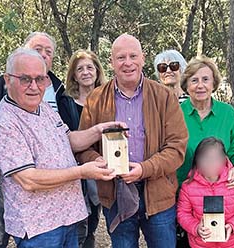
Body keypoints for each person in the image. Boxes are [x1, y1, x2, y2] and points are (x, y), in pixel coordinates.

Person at [0, 47, 126, 247]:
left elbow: (69, 140)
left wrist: (99, 130)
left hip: (68, 217)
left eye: (40, 79)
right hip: (39, 227)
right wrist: (81, 172)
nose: (34, 86)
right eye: (25, 79)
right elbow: (29, 179)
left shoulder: (43, 107)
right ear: (8, 80)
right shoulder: (4, 122)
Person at [77, 34, 189, 247]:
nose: (127, 63)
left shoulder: (164, 96)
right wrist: (101, 161)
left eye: (132, 56)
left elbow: (177, 148)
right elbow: (83, 147)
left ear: (143, 59)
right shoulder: (96, 99)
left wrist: (145, 168)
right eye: (120, 57)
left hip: (158, 193)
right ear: (111, 62)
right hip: (116, 194)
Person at [0, 31, 65, 248]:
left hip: (59, 209)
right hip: (16, 182)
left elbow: (66, 136)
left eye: (48, 52)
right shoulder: (1, 92)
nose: (42, 55)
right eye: (37, 49)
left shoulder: (58, 89)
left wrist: (97, 132)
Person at [176, 56, 234, 248]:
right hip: (183, 193)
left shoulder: (227, 113)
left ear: (214, 83)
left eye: (205, 79)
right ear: (186, 85)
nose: (200, 85)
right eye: (194, 80)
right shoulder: (175, 112)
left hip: (221, 195)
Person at [61, 49, 106, 248]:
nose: (86, 72)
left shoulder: (108, 99)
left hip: (100, 167)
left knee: (93, 220)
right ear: (74, 75)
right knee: (78, 225)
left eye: (90, 67)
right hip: (74, 171)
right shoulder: (65, 102)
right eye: (80, 69)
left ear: (97, 70)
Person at [177, 137, 234, 248]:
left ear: (224, 160)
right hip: (199, 244)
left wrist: (232, 226)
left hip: (228, 244)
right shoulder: (188, 187)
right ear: (196, 160)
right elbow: (182, 213)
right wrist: (196, 227)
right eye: (205, 158)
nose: (210, 163)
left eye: (216, 158)